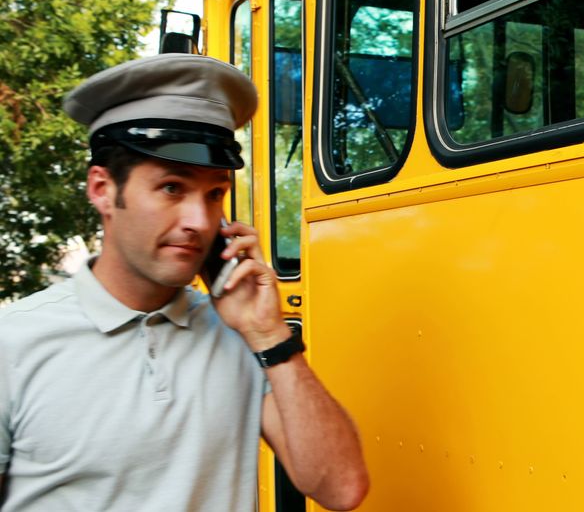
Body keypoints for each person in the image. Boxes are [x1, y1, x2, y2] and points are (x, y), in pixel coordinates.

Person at [0, 54, 369, 511]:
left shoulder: (243, 339)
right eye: (172, 187)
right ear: (102, 190)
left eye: (214, 194)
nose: (200, 221)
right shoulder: (12, 344)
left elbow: (341, 489)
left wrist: (270, 336)